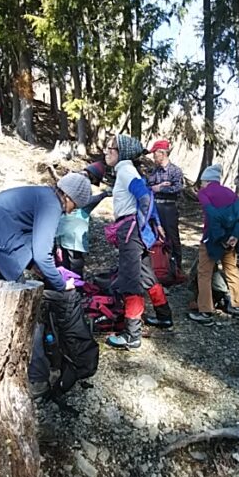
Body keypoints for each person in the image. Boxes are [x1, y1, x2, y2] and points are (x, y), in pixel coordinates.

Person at [0, 173, 92, 292]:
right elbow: (42, 254)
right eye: (75, 206)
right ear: (68, 197)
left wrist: (32, 266)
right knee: (2, 300)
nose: (71, 211)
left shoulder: (41, 194)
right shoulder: (51, 204)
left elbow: (18, 229)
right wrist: (61, 284)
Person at [104, 134, 173, 350]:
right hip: (134, 230)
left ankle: (132, 335)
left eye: (111, 148)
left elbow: (144, 197)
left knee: (130, 280)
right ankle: (164, 316)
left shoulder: (125, 170)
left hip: (130, 230)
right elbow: (145, 196)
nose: (106, 152)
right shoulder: (126, 171)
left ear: (122, 152)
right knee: (146, 275)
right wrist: (153, 222)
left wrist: (141, 223)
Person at [189, 164, 239, 326]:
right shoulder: (230, 193)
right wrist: (235, 235)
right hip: (231, 240)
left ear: (207, 181)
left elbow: (212, 215)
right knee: (231, 270)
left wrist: (220, 236)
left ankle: (205, 311)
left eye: (202, 182)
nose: (201, 185)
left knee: (204, 273)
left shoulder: (204, 193)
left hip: (212, 238)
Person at [55, 162, 111, 278]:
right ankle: (76, 286)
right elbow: (87, 202)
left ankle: (61, 285)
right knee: (75, 266)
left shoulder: (71, 179)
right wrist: (103, 195)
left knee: (62, 265)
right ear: (93, 177)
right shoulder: (82, 184)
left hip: (61, 230)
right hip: (75, 234)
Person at [147, 139, 184, 270]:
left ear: (162, 153)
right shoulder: (154, 171)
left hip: (169, 208)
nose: (153, 157)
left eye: (155, 153)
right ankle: (160, 266)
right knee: (156, 235)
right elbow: (148, 187)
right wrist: (158, 187)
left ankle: (177, 267)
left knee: (172, 236)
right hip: (156, 207)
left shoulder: (175, 171)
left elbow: (177, 188)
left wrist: (160, 188)